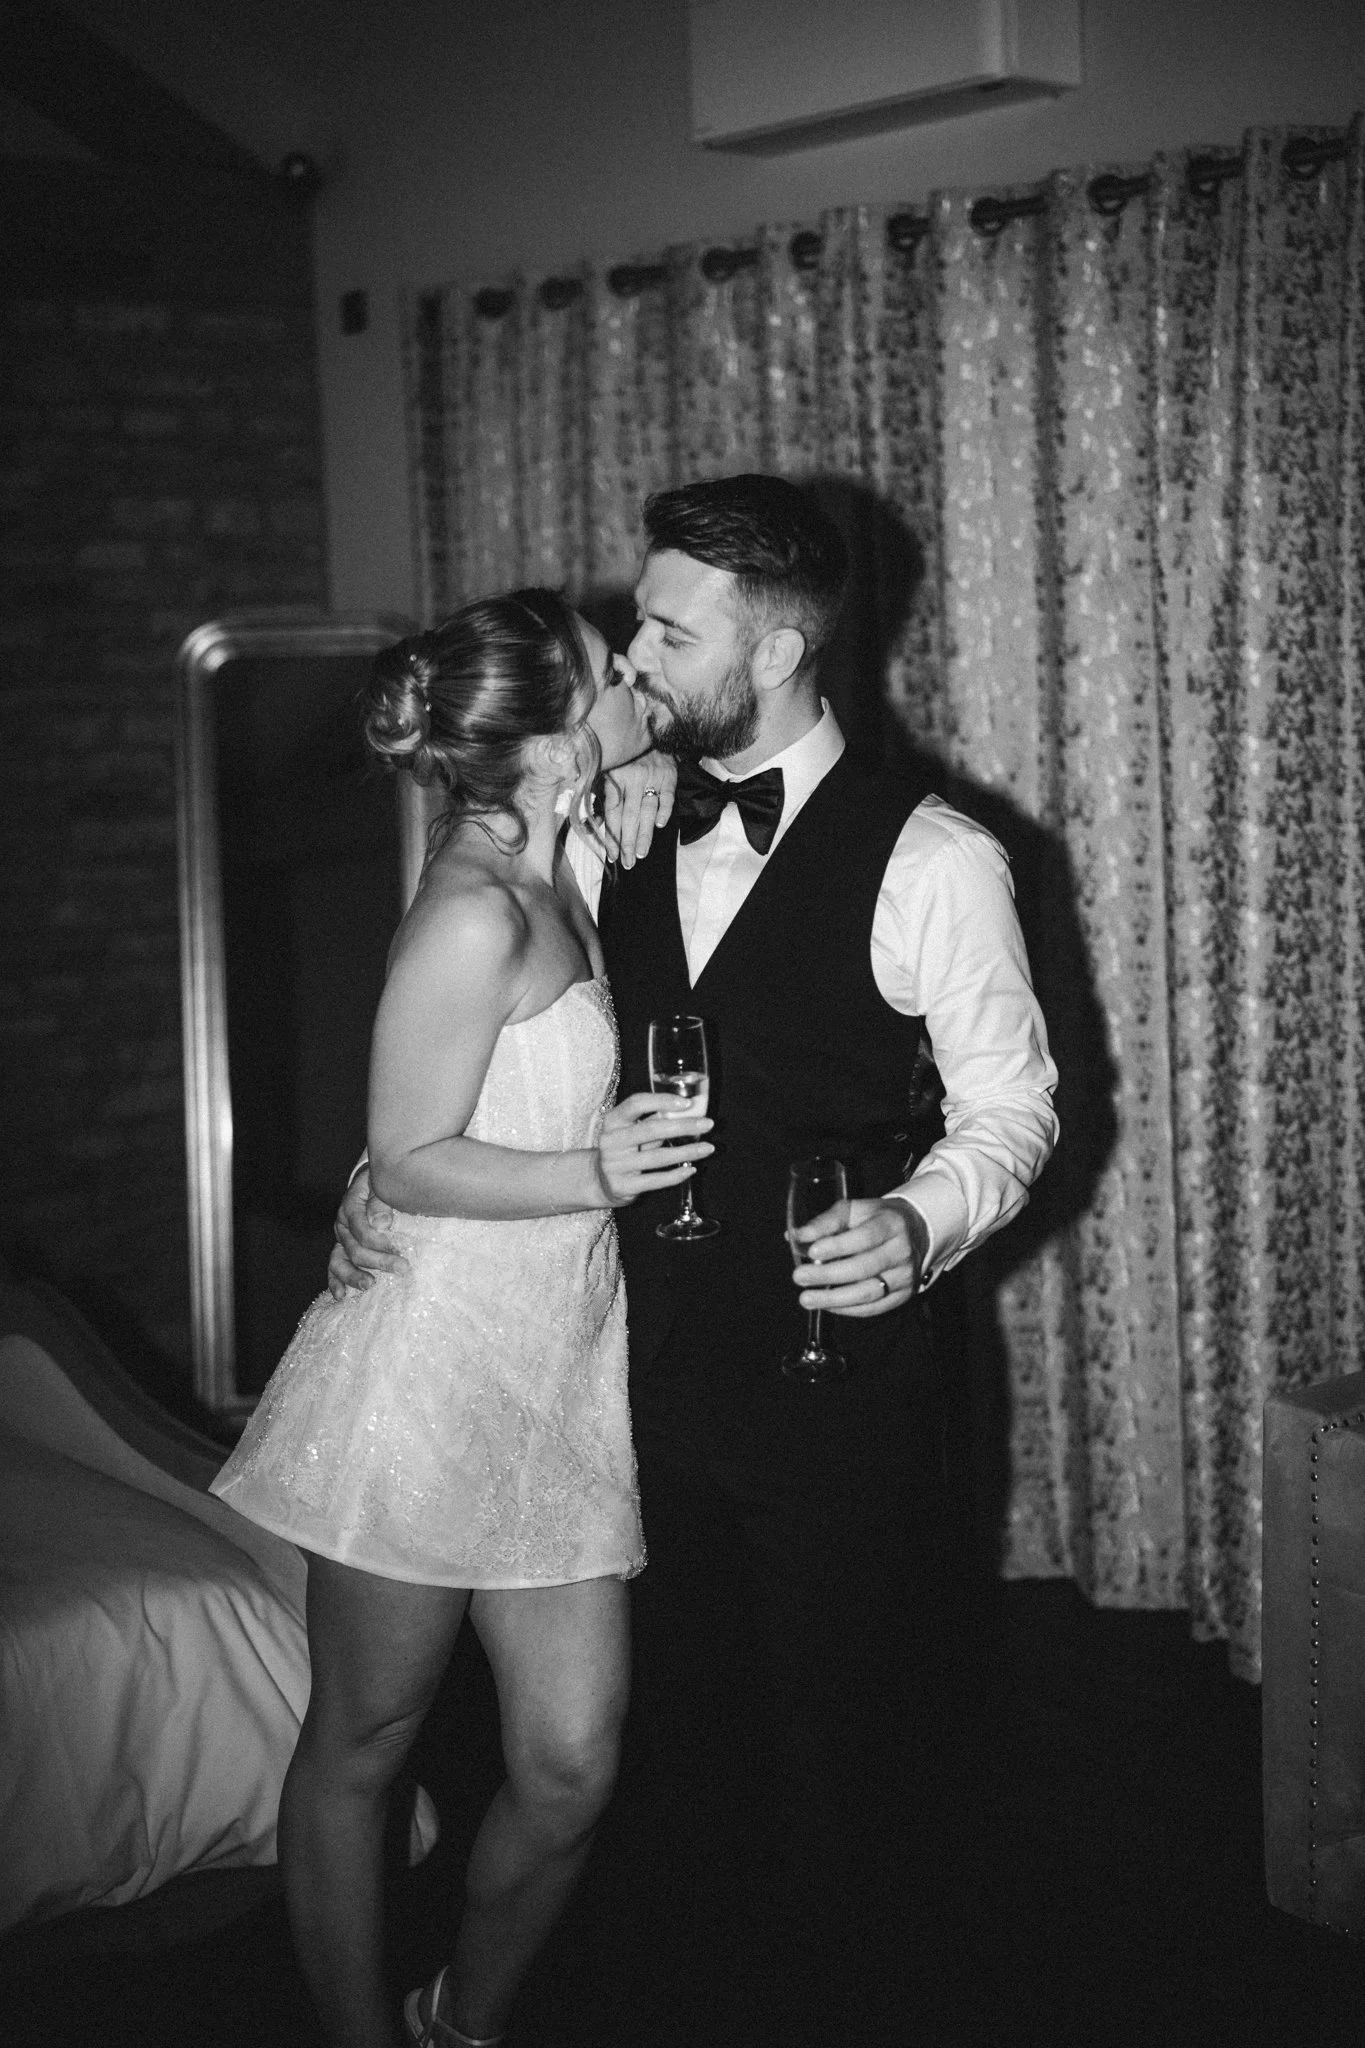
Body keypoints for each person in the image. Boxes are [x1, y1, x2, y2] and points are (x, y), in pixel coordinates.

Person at [335, 476, 1059, 2036]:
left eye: (668, 630)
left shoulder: (938, 856)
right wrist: (376, 1181)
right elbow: (479, 1054)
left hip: (836, 1391)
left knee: (849, 1760)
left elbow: (1016, 1108)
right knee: (643, 1762)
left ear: (781, 648)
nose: (638, 658)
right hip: (618, 1377)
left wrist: (921, 1221)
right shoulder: (599, 822)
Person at [211, 588, 712, 2048]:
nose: (635, 677)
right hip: (430, 1381)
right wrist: (592, 1168)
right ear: (553, 739)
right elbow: (406, 1152)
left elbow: (642, 779)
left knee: (569, 1763)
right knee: (360, 1748)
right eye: (610, 676)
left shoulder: (558, 856)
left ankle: (465, 2018)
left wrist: (642, 774)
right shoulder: (469, 915)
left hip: (555, 1382)